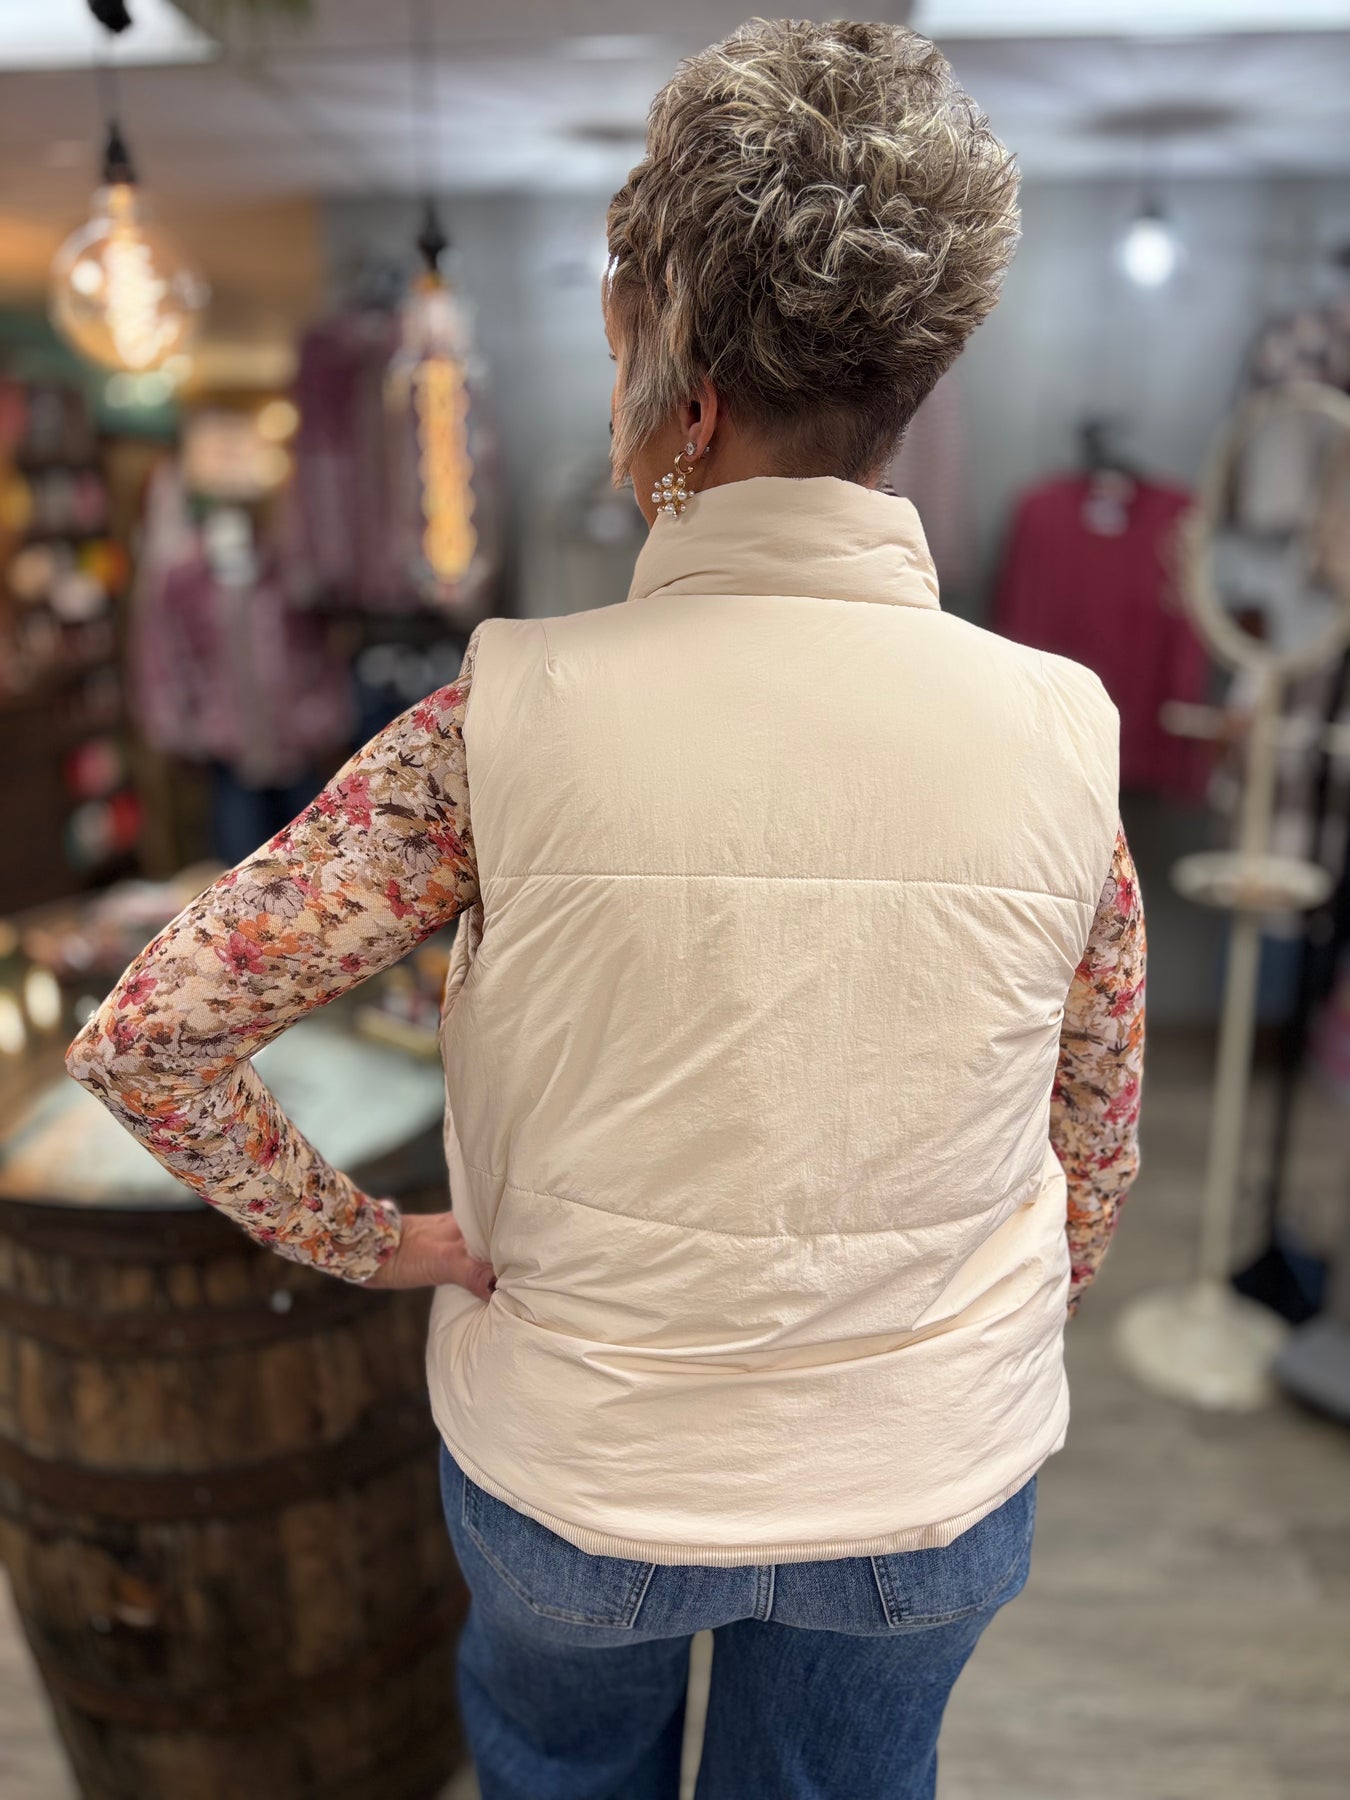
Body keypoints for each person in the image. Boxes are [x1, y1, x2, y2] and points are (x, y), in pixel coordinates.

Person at [67, 19, 1145, 1800]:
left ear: (687, 403)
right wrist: (963, 1327)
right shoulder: (1061, 727)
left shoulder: (493, 720)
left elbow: (151, 1038)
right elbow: (1090, 1152)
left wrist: (377, 1242)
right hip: (924, 1478)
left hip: (586, 1475)